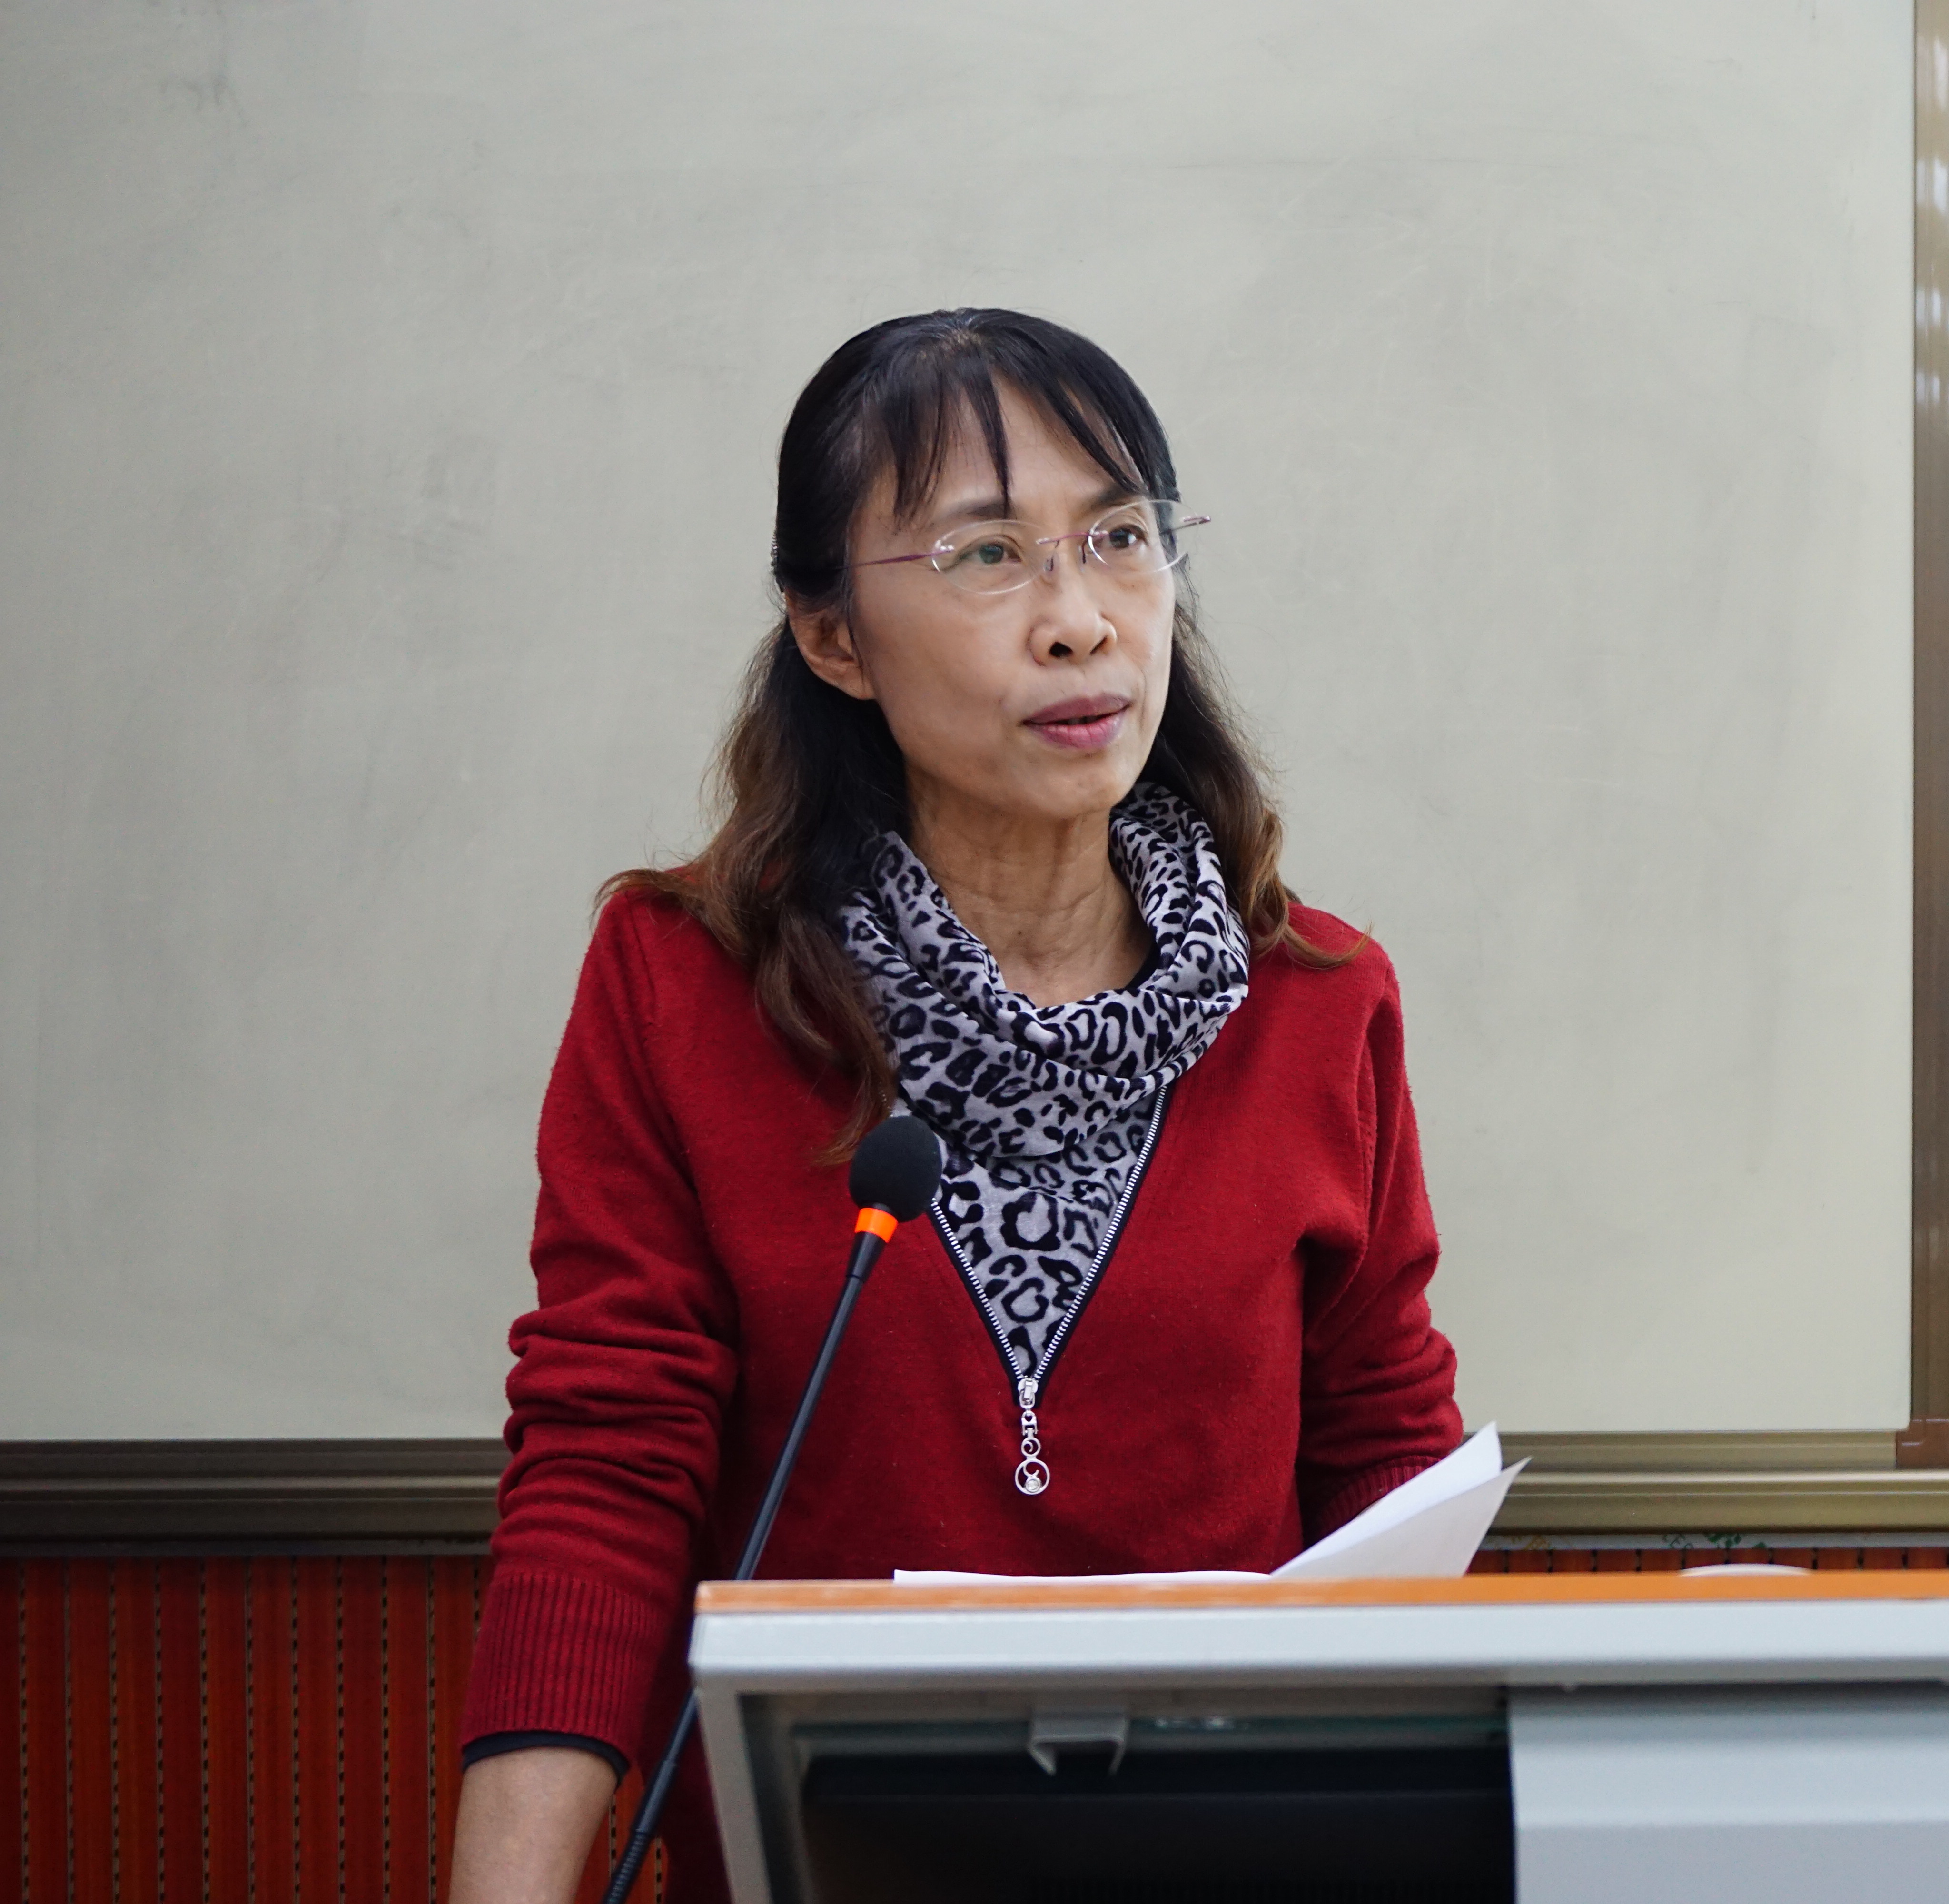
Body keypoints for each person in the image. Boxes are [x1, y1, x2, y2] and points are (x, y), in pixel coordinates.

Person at [447, 310, 1464, 1903]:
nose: (1081, 622)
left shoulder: (1318, 1001)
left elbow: (1388, 1456)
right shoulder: (682, 982)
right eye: (987, 556)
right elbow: (607, 1465)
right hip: (824, 1861)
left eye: (1120, 539)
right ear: (833, 637)